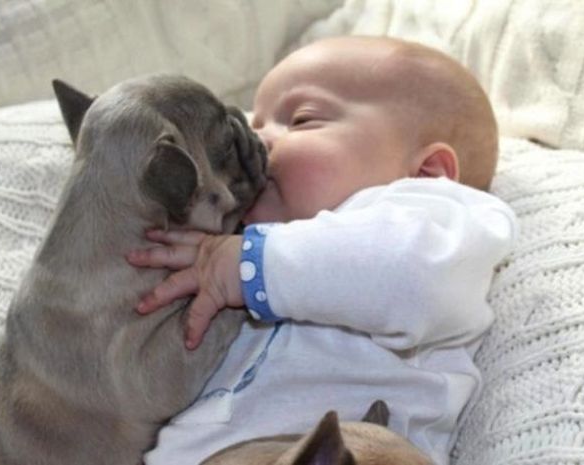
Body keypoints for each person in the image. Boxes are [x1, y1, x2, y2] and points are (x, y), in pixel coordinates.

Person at [129, 36, 518, 465]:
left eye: (300, 119)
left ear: (427, 173)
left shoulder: (434, 220)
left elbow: (412, 278)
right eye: (253, 126)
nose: (256, 143)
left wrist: (247, 263)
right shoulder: (238, 246)